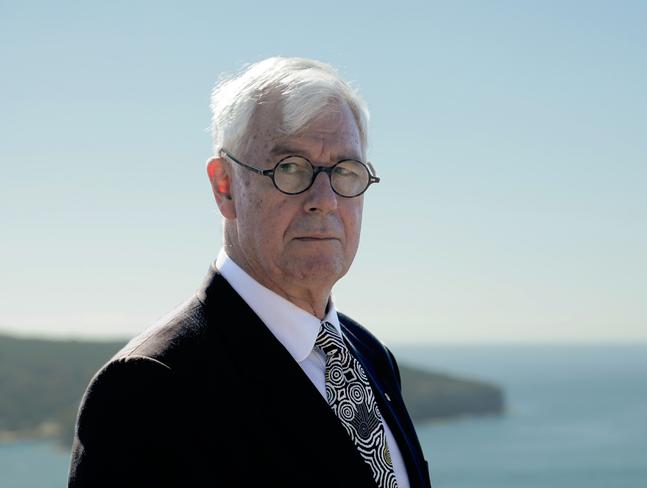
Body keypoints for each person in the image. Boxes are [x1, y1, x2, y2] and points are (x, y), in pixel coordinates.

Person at [68, 57, 431, 488]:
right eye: (291, 168)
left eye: (344, 172)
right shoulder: (149, 388)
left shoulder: (370, 356)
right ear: (225, 186)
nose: (325, 200)